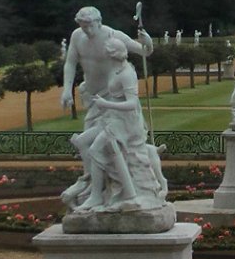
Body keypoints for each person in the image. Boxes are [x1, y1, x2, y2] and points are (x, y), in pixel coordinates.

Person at [62, 37, 167, 212]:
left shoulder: (127, 74)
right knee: (82, 141)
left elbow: (132, 104)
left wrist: (106, 104)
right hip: (112, 118)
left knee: (96, 149)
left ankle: (98, 195)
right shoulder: (115, 70)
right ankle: (90, 184)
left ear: (112, 55)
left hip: (125, 123)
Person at [61, 7, 152, 114]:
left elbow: (145, 52)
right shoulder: (77, 36)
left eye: (91, 26)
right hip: (93, 94)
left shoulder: (113, 36)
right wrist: (67, 89)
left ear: (99, 22)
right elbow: (70, 63)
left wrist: (148, 43)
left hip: (112, 95)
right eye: (84, 27)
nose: (88, 31)